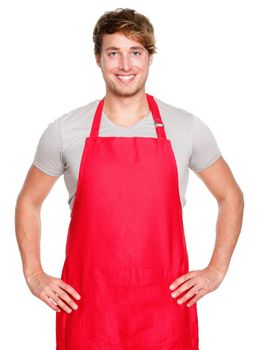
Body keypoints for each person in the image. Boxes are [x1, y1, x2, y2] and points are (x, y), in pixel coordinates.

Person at [15, 7, 244, 350]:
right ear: (98, 59)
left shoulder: (186, 127)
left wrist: (216, 270)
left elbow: (231, 196)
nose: (125, 65)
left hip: (165, 308)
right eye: (113, 53)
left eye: (135, 52)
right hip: (88, 307)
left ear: (150, 58)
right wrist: (34, 274)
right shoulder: (65, 130)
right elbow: (28, 201)